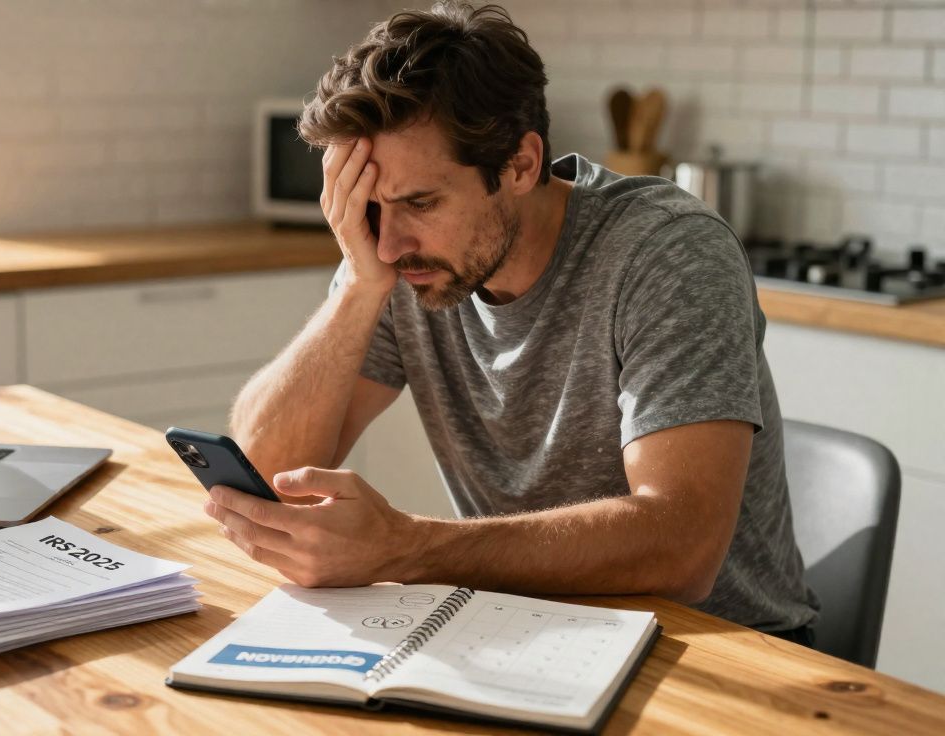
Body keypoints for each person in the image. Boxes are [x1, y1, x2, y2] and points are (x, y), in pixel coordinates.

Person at [205, 1, 818, 642]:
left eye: (421, 202)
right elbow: (261, 477)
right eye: (371, 209)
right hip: (525, 628)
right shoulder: (394, 261)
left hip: (719, 650)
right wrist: (357, 288)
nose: (389, 243)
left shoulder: (665, 251)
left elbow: (682, 548)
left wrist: (407, 547)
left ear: (521, 165)